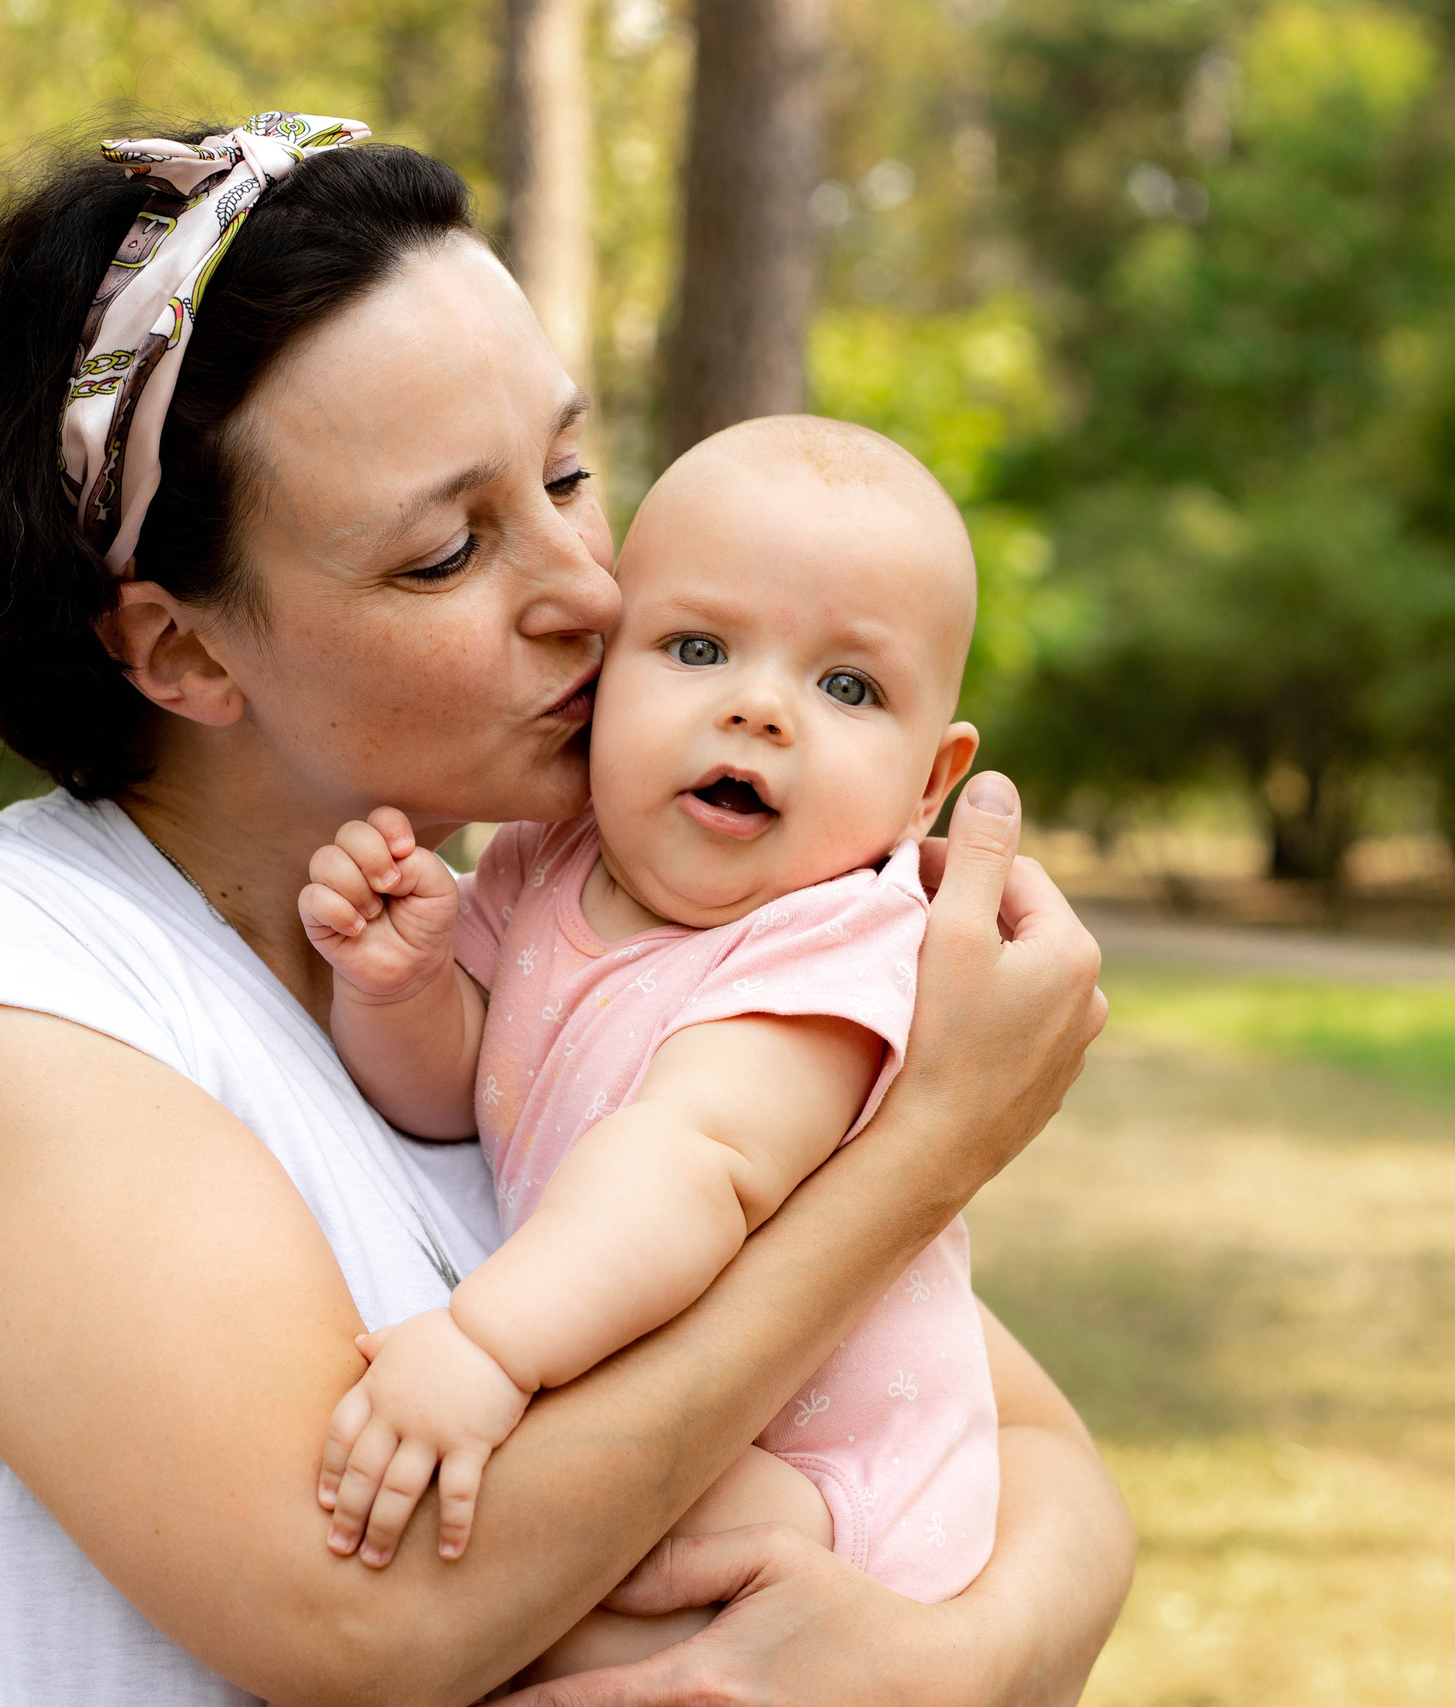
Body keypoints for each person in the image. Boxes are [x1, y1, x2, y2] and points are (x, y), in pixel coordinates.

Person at [0, 113, 1129, 1707]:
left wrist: (941, 1661)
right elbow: (375, 1617)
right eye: (447, 551)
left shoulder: (586, 933)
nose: (592, 591)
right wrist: (929, 1143)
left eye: (568, 473)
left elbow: (1043, 1457)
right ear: (188, 652)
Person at [302, 416, 1001, 1681]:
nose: (759, 707)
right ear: (601, 676)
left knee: (548, 1576)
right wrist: (400, 989)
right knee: (530, 1574)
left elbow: (690, 1165)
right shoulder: (538, 864)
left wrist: (485, 1347)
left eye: (848, 688)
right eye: (696, 648)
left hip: (817, 1476)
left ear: (926, 786)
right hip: (677, 1411)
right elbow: (456, 1094)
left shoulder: (838, 940)